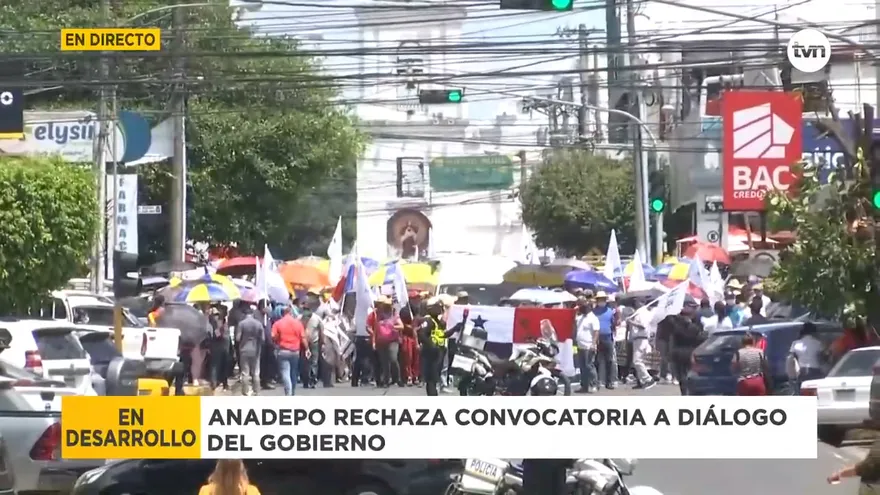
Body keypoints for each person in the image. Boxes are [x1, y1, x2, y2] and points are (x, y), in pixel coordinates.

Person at [418, 297, 454, 396]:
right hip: (429, 354)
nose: (440, 310)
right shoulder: (428, 320)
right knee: (431, 380)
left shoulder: (437, 322)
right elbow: (421, 334)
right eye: (438, 307)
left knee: (434, 378)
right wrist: (432, 345)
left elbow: (442, 335)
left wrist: (456, 328)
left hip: (438, 353)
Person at [271, 305, 308, 396]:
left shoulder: (278, 323)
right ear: (291, 313)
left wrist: (277, 340)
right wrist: (307, 348)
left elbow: (273, 336)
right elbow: (303, 338)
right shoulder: (298, 323)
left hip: (283, 351)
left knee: (285, 372)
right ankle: (293, 392)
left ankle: (288, 392)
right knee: (294, 372)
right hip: (295, 351)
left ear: (283, 313)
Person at [669, 301, 704, 395]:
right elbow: (700, 339)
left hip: (681, 353)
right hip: (688, 353)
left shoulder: (677, 326)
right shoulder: (694, 327)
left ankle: (686, 392)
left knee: (683, 376)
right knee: (686, 375)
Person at [370, 295, 402, 387]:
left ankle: (397, 378)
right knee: (384, 362)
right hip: (381, 341)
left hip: (392, 340)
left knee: (393, 358)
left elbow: (401, 326)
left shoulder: (394, 315)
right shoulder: (378, 316)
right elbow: (375, 329)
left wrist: (393, 327)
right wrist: (374, 341)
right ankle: (386, 381)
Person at [787, 322, 825, 394]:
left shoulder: (795, 343)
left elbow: (792, 359)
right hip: (816, 370)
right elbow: (822, 358)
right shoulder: (818, 343)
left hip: (802, 371)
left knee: (802, 392)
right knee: (816, 392)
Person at [235, 305, 264, 396]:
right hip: (255, 350)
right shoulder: (258, 324)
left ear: (245, 314)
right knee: (256, 372)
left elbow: (237, 338)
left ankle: (245, 391)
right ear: (252, 314)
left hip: (244, 349)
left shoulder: (241, 324)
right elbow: (263, 339)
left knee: (245, 372)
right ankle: (257, 391)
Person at [590, 292, 617, 389]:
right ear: (597, 301)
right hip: (597, 338)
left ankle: (609, 382)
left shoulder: (610, 311)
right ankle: (597, 382)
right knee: (596, 361)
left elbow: (614, 324)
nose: (602, 301)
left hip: (608, 337)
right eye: (600, 299)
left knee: (609, 361)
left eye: (603, 299)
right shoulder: (593, 312)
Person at [628, 300, 656, 389]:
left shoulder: (642, 313)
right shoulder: (638, 312)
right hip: (637, 339)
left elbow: (643, 325)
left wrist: (631, 322)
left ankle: (648, 379)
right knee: (638, 361)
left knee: (637, 361)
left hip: (641, 339)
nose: (636, 303)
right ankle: (641, 381)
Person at [574, 296, 598, 394]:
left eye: (583, 306)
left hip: (589, 346)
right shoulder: (580, 318)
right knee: (582, 367)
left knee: (589, 366)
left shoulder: (593, 318)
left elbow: (596, 332)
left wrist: (593, 344)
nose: (581, 308)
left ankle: (593, 385)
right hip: (580, 346)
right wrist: (576, 311)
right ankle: (584, 386)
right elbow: (574, 321)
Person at [301, 292, 323, 389]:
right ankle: (309, 380)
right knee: (309, 362)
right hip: (308, 343)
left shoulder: (315, 318)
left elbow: (322, 331)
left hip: (310, 343)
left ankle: (309, 380)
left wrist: (322, 343)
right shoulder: (301, 319)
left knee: (310, 362)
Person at [398, 298, 421, 386]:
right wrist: (411, 328)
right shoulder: (404, 311)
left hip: (415, 338)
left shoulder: (417, 310)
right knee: (408, 358)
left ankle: (416, 376)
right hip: (406, 337)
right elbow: (402, 324)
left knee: (416, 358)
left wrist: (417, 328)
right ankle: (409, 376)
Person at [208, 307, 230, 393]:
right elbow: (217, 335)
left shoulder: (223, 322)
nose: (216, 316)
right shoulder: (214, 323)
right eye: (215, 315)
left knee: (221, 366)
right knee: (215, 366)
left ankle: (223, 383)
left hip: (223, 347)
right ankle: (214, 383)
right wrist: (220, 330)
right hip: (218, 347)